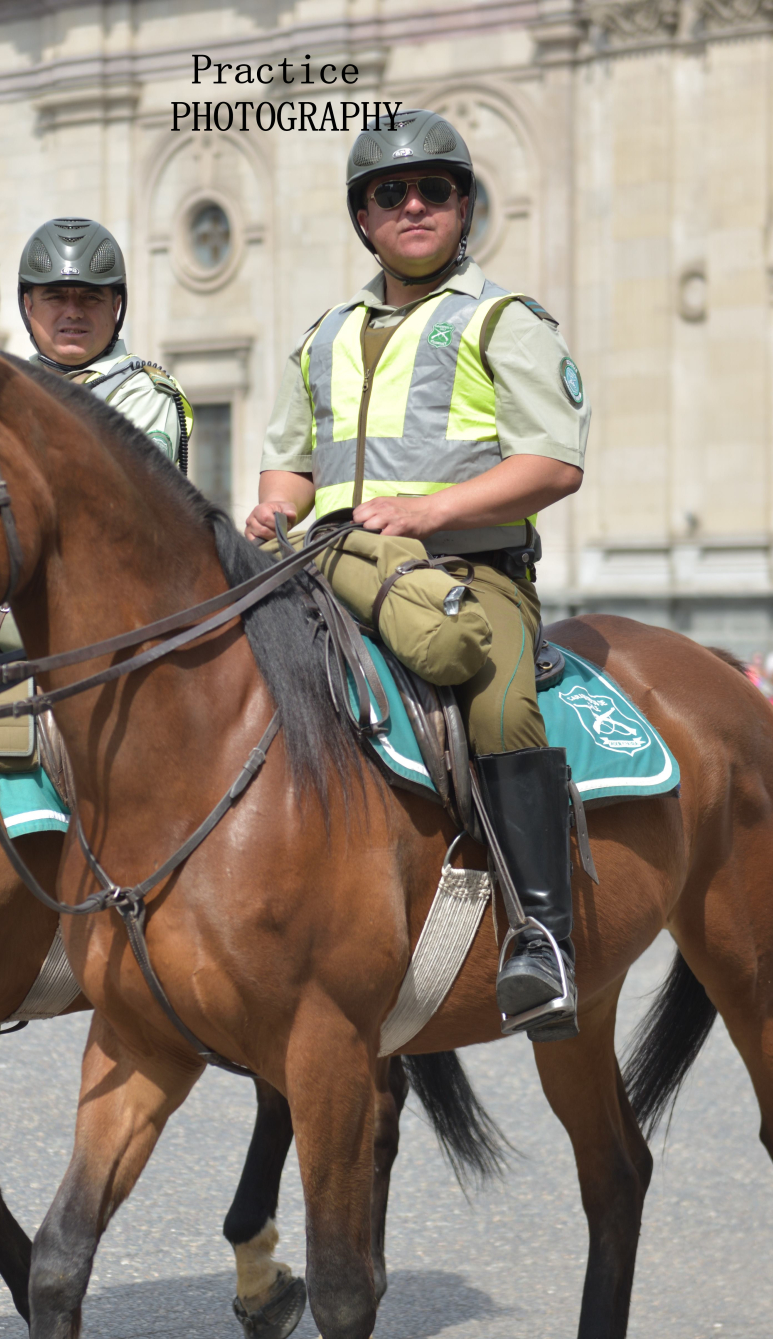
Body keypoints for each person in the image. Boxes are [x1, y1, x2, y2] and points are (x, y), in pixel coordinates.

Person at [246, 109, 589, 1041]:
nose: (412, 206)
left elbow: (554, 463)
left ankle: (541, 942)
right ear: (363, 217)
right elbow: (290, 461)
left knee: (493, 701)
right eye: (388, 194)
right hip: (331, 568)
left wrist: (433, 512)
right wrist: (276, 508)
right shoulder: (322, 336)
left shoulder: (501, 323)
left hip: (469, 576)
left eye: (433, 190)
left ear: (464, 206)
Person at [17, 217, 193, 469]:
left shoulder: (143, 394)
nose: (73, 312)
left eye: (90, 297)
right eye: (55, 297)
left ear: (115, 307)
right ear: (29, 306)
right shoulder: (9, 384)